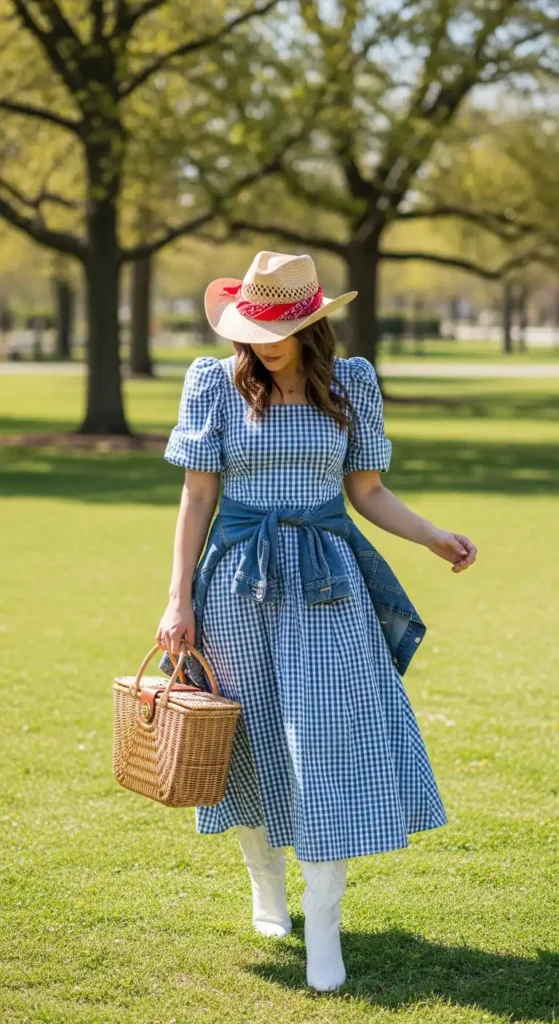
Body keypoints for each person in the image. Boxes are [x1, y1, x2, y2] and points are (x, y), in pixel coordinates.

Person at [156, 251, 477, 992]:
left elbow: (365, 490)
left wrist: (431, 534)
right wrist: (177, 600)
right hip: (235, 584)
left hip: (328, 583)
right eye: (254, 327)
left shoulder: (352, 382)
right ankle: (266, 887)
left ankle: (323, 924)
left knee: (328, 742)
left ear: (312, 324)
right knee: (246, 740)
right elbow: (197, 499)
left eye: (280, 327)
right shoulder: (213, 381)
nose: (263, 342)